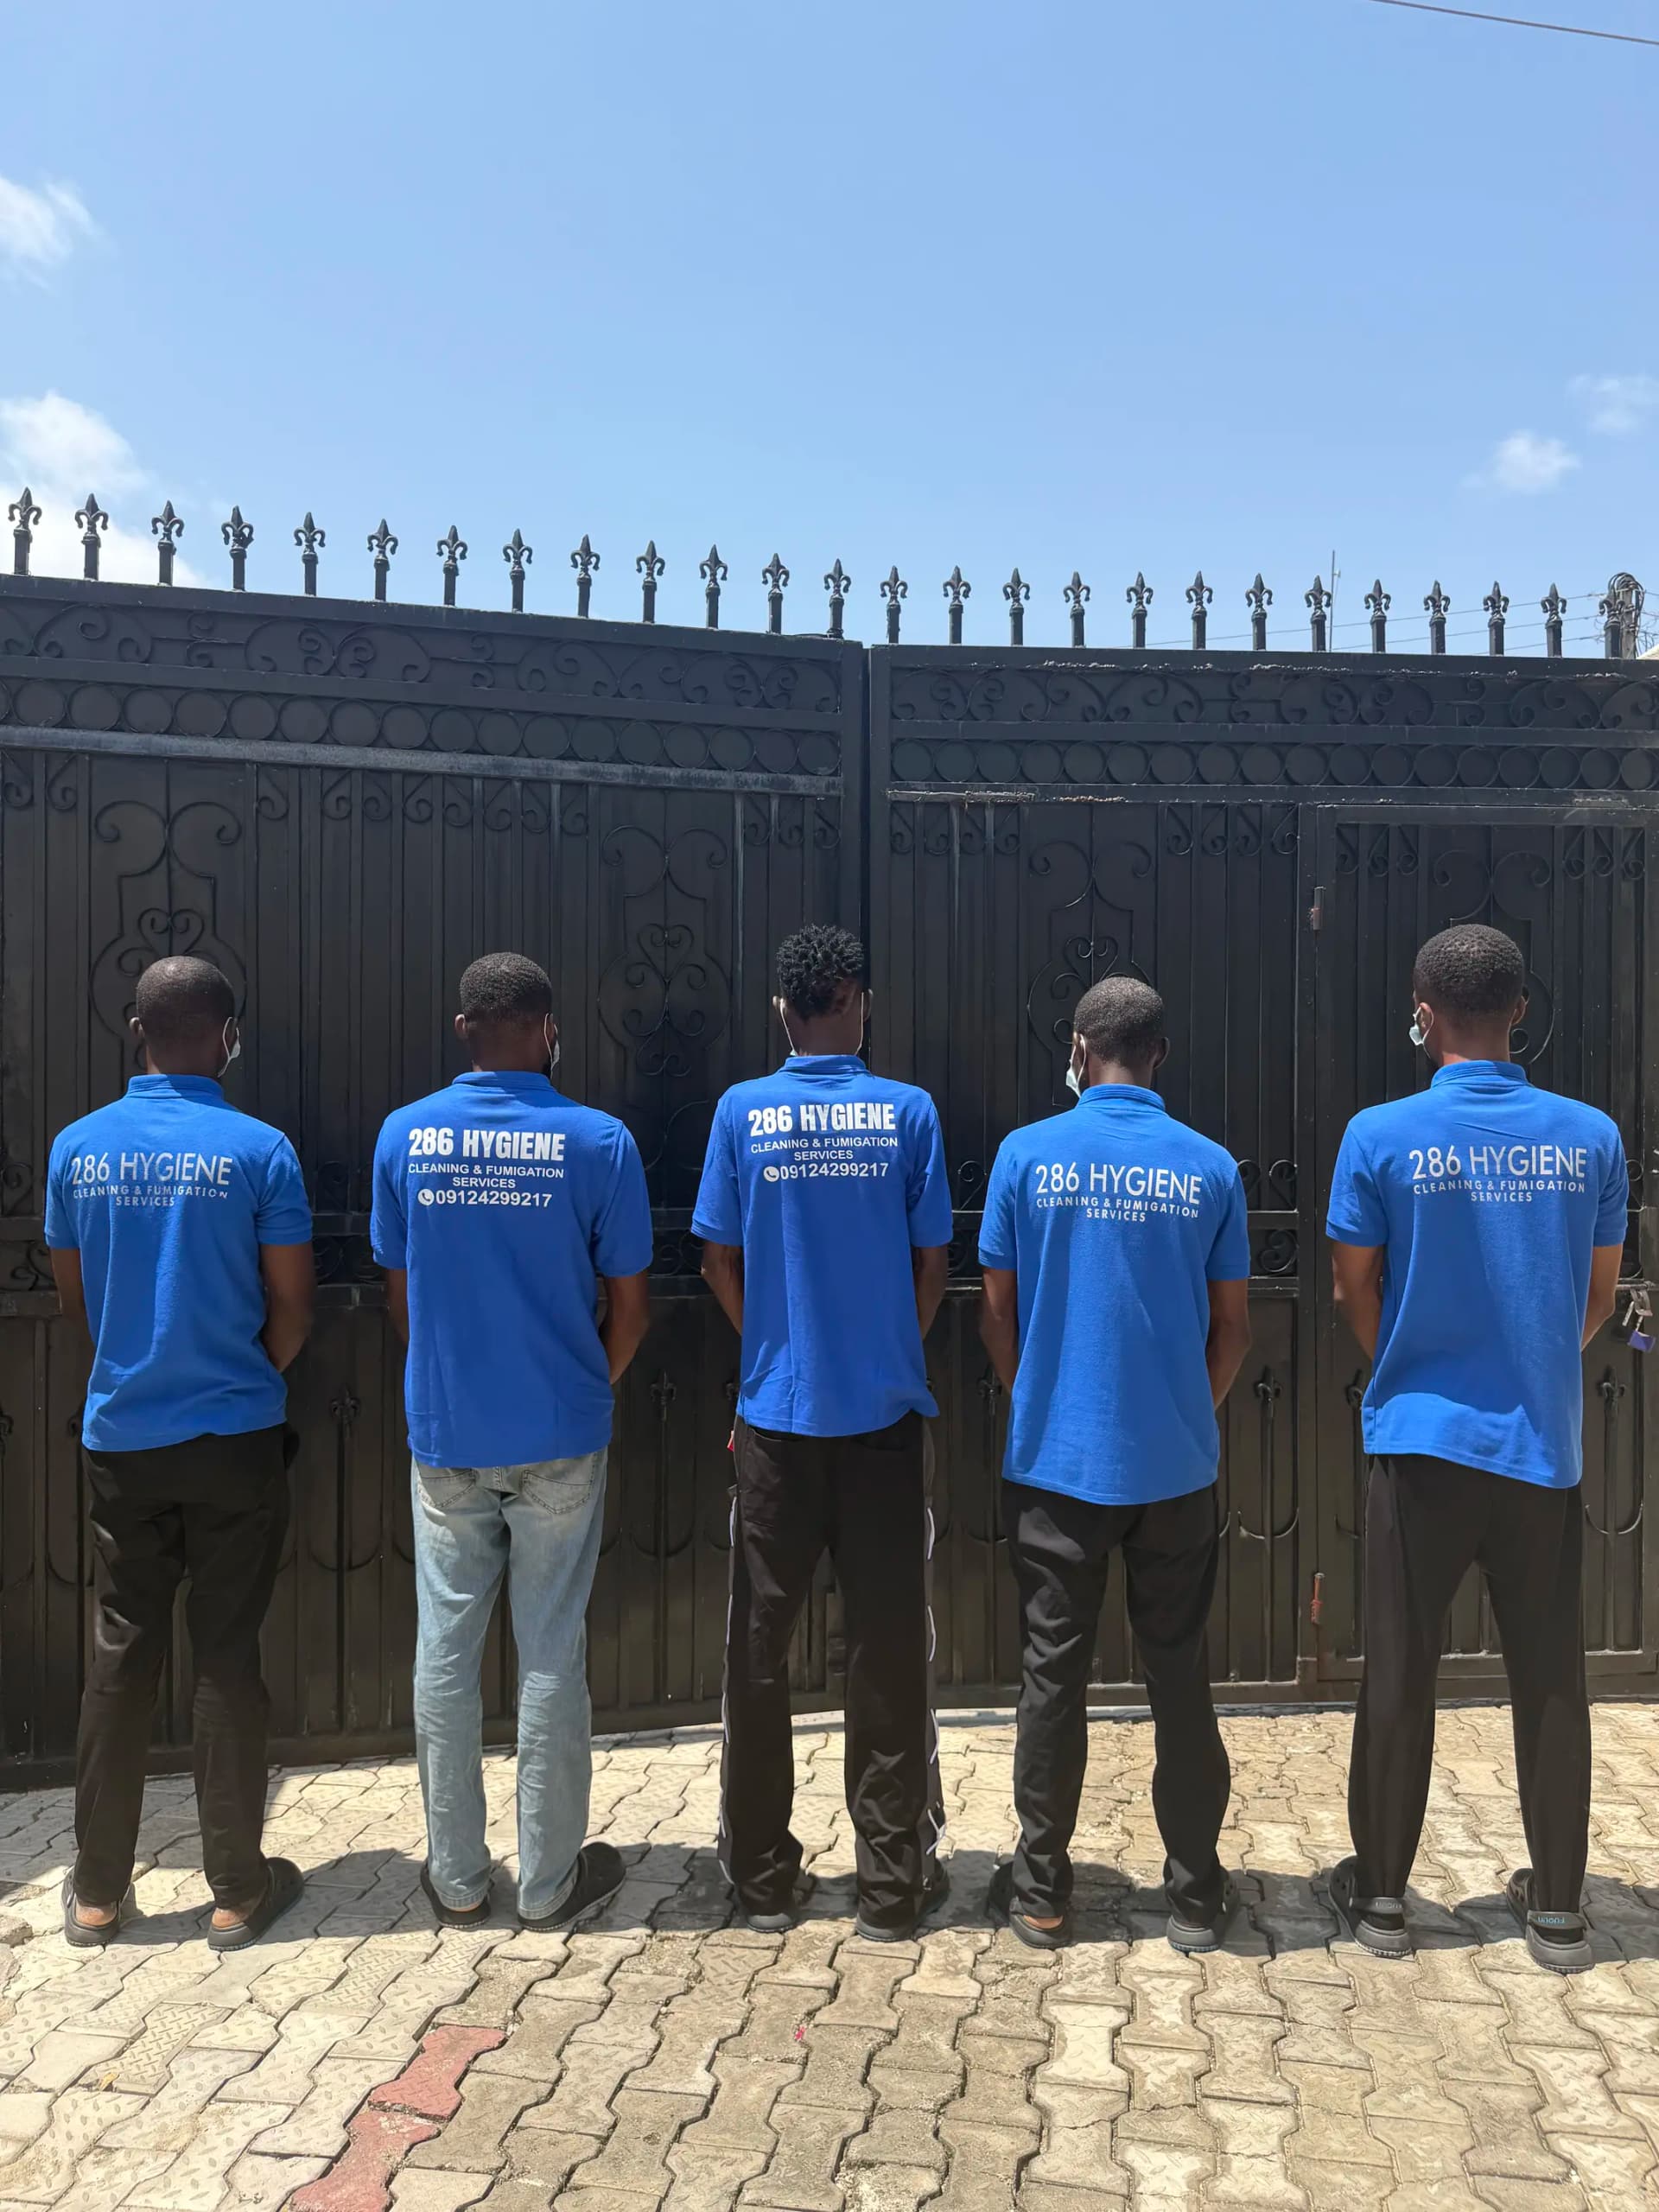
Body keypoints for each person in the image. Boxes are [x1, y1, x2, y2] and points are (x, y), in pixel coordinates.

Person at [1325, 923, 1626, 1973]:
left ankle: (1382, 1902)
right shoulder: (1589, 1136)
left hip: (1419, 1438)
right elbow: (1597, 1297)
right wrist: (1531, 1355)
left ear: (1421, 1012)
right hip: (1538, 1444)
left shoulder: (1379, 1135)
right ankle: (1557, 1910)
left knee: (1399, 1669)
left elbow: (1351, 1288)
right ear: (1520, 1012)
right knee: (1550, 1673)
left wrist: (1410, 1356)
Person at [372, 952, 652, 1929]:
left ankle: (455, 1880)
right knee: (550, 1650)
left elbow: (402, 1298)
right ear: (548, 1028)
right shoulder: (600, 1143)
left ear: (464, 1030)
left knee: (444, 1651)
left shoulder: (405, 1137)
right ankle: (548, 1883)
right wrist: (582, 1388)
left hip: (448, 1434)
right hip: (560, 1436)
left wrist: (457, 1381)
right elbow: (631, 1305)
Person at [45, 956, 315, 1951]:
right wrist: (248, 1375)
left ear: (136, 1028)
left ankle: (96, 1892)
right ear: (228, 1036)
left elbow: (78, 1301)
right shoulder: (260, 1150)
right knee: (228, 1649)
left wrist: (139, 1361)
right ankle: (239, 1891)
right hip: (235, 1436)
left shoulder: (78, 1148)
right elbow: (292, 1303)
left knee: (123, 1648)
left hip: (126, 1438)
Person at [978, 975, 1252, 1951]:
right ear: (1160, 1055)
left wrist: (1040, 1396)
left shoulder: (1026, 1157)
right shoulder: (1212, 1167)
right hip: (1175, 1467)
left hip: (1057, 1463)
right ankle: (1193, 1891)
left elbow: (996, 1311)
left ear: (1079, 1050)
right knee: (1179, 1673)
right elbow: (1233, 1328)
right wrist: (1185, 1412)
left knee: (1052, 1674)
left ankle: (1043, 1889)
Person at [695, 924, 953, 1942]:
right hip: (884, 1420)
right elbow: (933, 1258)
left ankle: (760, 1879)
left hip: (774, 1424)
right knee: (889, 1651)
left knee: (756, 1654)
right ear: (862, 1001)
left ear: (781, 1012)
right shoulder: (909, 1114)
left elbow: (718, 1256)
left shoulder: (741, 1113)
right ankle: (891, 1886)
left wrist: (770, 1343)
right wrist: (892, 1343)